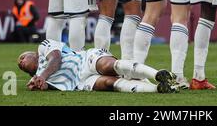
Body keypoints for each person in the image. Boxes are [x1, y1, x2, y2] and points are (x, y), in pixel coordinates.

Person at [17, 39, 179, 93]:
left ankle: (158, 74)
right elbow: (56, 85)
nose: (21, 63)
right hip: (80, 83)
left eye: (22, 57)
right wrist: (43, 85)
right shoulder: (37, 77)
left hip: (85, 59)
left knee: (109, 65)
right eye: (20, 66)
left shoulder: (43, 47)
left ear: (33, 54)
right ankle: (158, 89)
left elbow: (56, 58)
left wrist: (42, 76)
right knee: (110, 83)